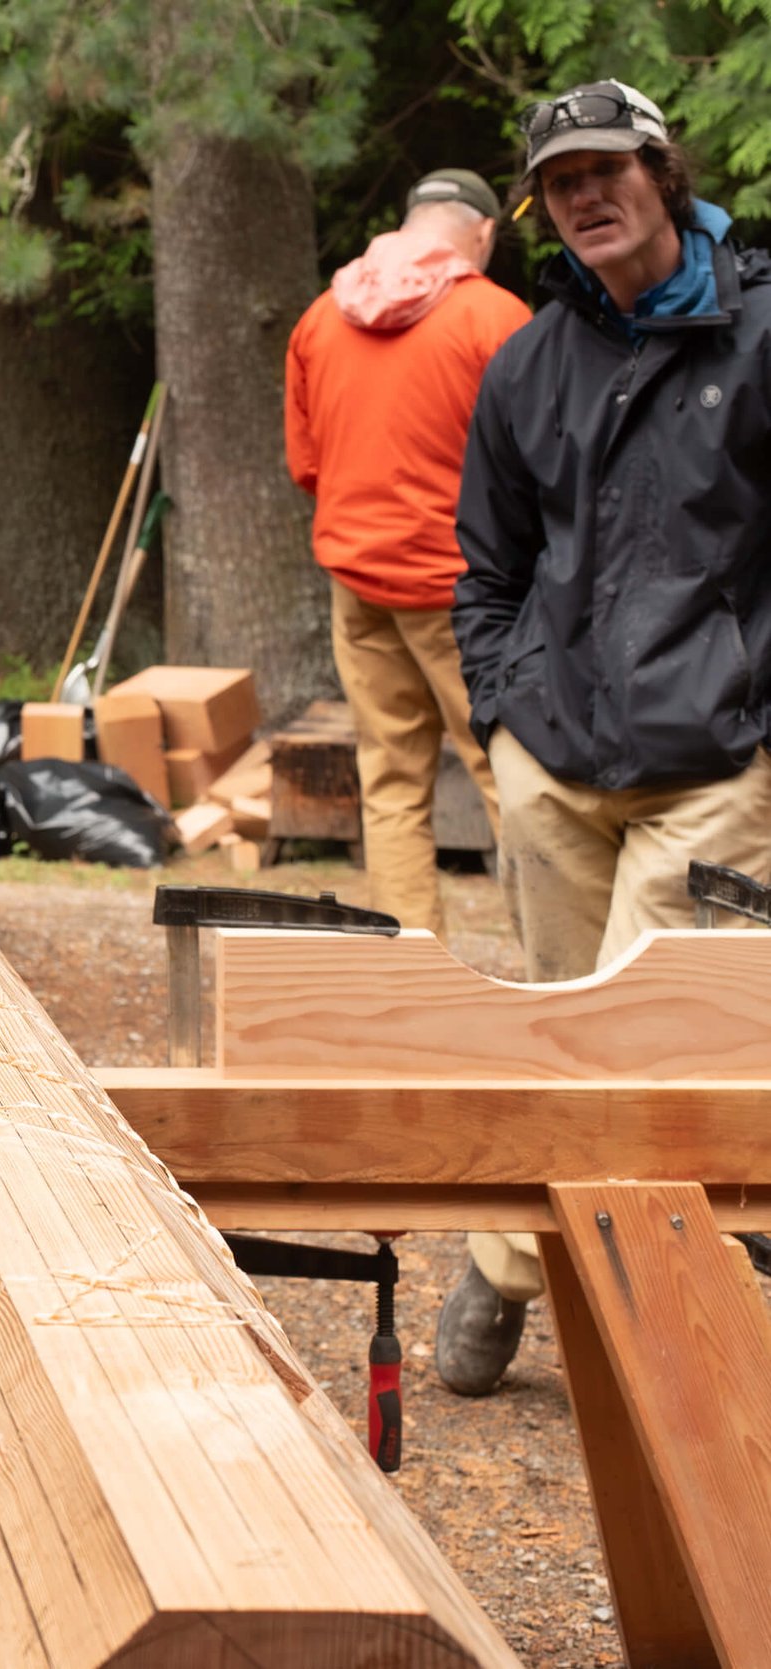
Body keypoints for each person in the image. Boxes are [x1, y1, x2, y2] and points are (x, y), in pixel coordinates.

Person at [445, 80, 771, 1393]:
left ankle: (621, 1311)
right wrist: (502, 720)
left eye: (603, 169)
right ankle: (522, 1261)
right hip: (555, 765)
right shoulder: (529, 359)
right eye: (557, 184)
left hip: (714, 765)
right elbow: (488, 563)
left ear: (658, 168)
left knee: (662, 1043)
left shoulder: (759, 337)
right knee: (559, 1035)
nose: (583, 197)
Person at [285, 169, 527, 936]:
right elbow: (539, 469)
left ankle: (405, 971)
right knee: (513, 775)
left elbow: (307, 467)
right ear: (483, 233)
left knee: (389, 777)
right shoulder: (498, 318)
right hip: (469, 592)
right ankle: (557, 967)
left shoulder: (321, 319)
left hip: (358, 581)